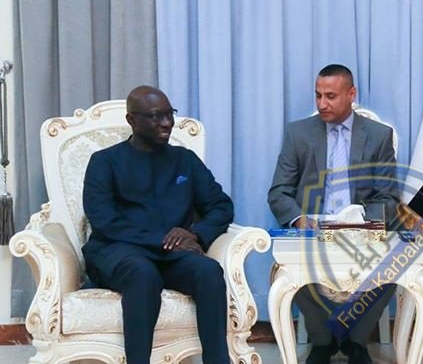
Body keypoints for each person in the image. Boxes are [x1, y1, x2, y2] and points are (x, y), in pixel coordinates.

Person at [82, 85, 233, 364]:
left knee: (209, 271)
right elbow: (105, 222)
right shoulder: (104, 162)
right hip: (119, 251)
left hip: (173, 255)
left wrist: (195, 235)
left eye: (169, 114)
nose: (166, 123)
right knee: (142, 274)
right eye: (155, 116)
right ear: (132, 120)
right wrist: (165, 239)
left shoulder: (185, 160)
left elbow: (221, 206)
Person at [268, 64, 399, 364]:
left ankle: (356, 342)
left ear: (351, 94)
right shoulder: (298, 133)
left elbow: (389, 197)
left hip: (360, 231)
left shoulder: (379, 136)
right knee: (286, 269)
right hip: (314, 231)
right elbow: (279, 192)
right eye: (318, 95)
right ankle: (323, 341)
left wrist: (361, 223)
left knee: (394, 268)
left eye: (331, 96)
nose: (322, 104)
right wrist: (300, 219)